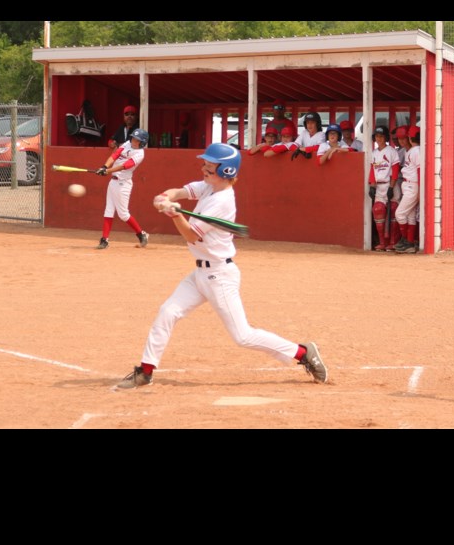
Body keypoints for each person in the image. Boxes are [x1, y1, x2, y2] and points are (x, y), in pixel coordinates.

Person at [116, 142, 329, 389]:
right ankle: (145, 371)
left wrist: (174, 215)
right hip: (201, 273)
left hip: (220, 275)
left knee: (243, 336)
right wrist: (165, 198)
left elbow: (191, 235)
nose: (204, 167)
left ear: (226, 170)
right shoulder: (208, 187)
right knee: (167, 312)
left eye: (210, 164)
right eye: (205, 162)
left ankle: (303, 353)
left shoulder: (224, 201)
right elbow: (181, 191)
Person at [95, 128, 150, 250]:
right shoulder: (127, 144)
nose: (133, 141)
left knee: (123, 214)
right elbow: (115, 155)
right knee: (108, 210)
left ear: (142, 142)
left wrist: (107, 171)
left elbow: (125, 166)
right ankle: (104, 240)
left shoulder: (140, 154)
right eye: (133, 138)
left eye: (137, 140)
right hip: (113, 182)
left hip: (123, 184)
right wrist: (104, 166)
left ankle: (141, 234)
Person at [369, 126, 400, 251]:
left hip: (390, 184)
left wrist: (391, 187)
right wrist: (372, 186)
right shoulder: (374, 153)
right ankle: (382, 242)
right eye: (377, 136)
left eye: (381, 136)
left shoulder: (391, 151)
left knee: (393, 210)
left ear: (386, 137)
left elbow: (396, 170)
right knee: (378, 210)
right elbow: (372, 170)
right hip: (379, 186)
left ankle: (392, 242)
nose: (379, 139)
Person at [393, 125, 422, 254]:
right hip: (408, 185)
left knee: (399, 214)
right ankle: (410, 245)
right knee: (410, 217)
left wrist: (420, 191)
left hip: (413, 185)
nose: (402, 141)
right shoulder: (410, 151)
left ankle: (407, 240)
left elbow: (420, 171)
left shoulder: (416, 150)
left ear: (410, 138)